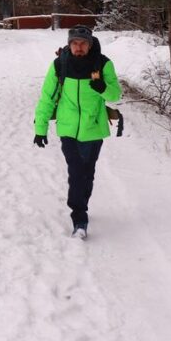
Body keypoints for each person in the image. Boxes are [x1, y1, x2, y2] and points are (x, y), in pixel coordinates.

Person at [33, 26, 121, 238]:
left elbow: (116, 94)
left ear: (89, 45)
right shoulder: (60, 65)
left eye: (83, 44)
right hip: (68, 129)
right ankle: (79, 218)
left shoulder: (103, 63)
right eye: (75, 43)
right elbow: (47, 98)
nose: (79, 48)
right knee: (76, 172)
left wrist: (102, 88)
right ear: (69, 44)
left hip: (94, 128)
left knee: (87, 173)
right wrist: (40, 128)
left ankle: (82, 202)